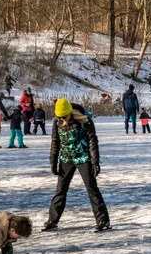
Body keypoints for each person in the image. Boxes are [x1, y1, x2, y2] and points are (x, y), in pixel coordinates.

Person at [43, 99, 110, 232]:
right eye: (60, 117)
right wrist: (53, 161)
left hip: (83, 158)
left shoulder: (85, 121)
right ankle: (52, 220)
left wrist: (95, 161)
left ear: (70, 113)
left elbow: (92, 141)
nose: (63, 120)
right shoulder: (57, 123)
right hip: (66, 159)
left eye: (65, 117)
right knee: (60, 190)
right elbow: (55, 142)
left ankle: (103, 220)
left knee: (91, 188)